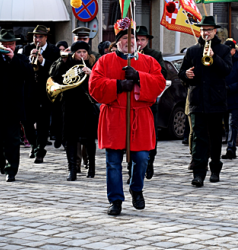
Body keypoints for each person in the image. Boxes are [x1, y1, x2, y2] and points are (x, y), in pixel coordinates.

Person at [89, 22, 165, 215]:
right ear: (117, 42)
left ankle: (136, 188)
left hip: (139, 117)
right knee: (113, 161)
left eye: (132, 38)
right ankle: (115, 200)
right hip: (114, 117)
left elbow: (159, 83)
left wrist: (139, 76)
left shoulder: (149, 61)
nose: (129, 41)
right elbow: (95, 86)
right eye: (124, 38)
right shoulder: (104, 61)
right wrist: (118, 85)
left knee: (141, 158)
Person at [178, 16, 232, 187]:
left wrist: (214, 57)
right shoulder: (192, 51)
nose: (205, 33)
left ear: (215, 31)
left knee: (215, 137)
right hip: (197, 99)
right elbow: (181, 73)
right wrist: (186, 75)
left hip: (216, 100)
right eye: (203, 30)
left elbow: (227, 71)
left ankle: (215, 168)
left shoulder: (223, 50)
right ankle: (198, 173)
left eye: (208, 30)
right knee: (199, 138)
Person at [0, 31, 32, 180]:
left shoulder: (21, 59)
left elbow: (28, 74)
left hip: (13, 108)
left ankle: (11, 170)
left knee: (13, 141)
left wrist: (13, 58)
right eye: (5, 44)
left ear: (15, 46)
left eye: (11, 44)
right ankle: (3, 162)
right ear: (0, 44)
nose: (8, 46)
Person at [51, 41, 97, 180]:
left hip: (87, 105)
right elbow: (54, 75)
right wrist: (62, 60)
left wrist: (91, 74)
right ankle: (72, 169)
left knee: (89, 138)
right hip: (70, 104)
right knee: (71, 138)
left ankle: (92, 168)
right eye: (78, 52)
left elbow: (100, 81)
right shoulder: (65, 63)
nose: (81, 55)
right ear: (73, 53)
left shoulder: (92, 64)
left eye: (84, 52)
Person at [21, 25, 60, 163]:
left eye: (40, 37)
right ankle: (33, 144)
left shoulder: (54, 50)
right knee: (27, 122)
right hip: (29, 91)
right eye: (35, 37)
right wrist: (28, 59)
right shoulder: (27, 49)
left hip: (45, 92)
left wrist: (43, 61)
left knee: (43, 124)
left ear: (46, 38)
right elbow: (23, 69)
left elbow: (56, 69)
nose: (37, 40)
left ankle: (40, 151)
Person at [135, 25, 165, 179]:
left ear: (147, 41)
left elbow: (162, 75)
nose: (140, 43)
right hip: (133, 101)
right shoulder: (129, 55)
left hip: (149, 101)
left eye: (142, 40)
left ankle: (150, 161)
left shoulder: (155, 55)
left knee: (151, 133)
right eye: (137, 40)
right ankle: (133, 167)